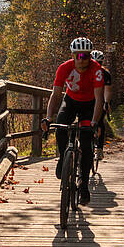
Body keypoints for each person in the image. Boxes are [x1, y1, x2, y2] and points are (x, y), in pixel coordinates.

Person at [40, 37, 104, 205]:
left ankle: (83, 183)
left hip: (89, 105)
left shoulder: (96, 69)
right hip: (70, 101)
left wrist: (95, 122)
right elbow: (55, 94)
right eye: (78, 56)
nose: (82, 60)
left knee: (85, 141)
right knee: (60, 128)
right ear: (73, 55)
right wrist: (48, 117)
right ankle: (63, 158)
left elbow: (99, 99)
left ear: (90, 56)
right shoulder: (64, 68)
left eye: (86, 56)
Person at [90, 49, 112, 161]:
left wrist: (106, 103)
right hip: (88, 99)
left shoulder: (105, 74)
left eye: (99, 63)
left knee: (99, 122)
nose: (97, 65)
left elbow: (107, 90)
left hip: (100, 100)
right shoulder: (85, 71)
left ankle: (99, 149)